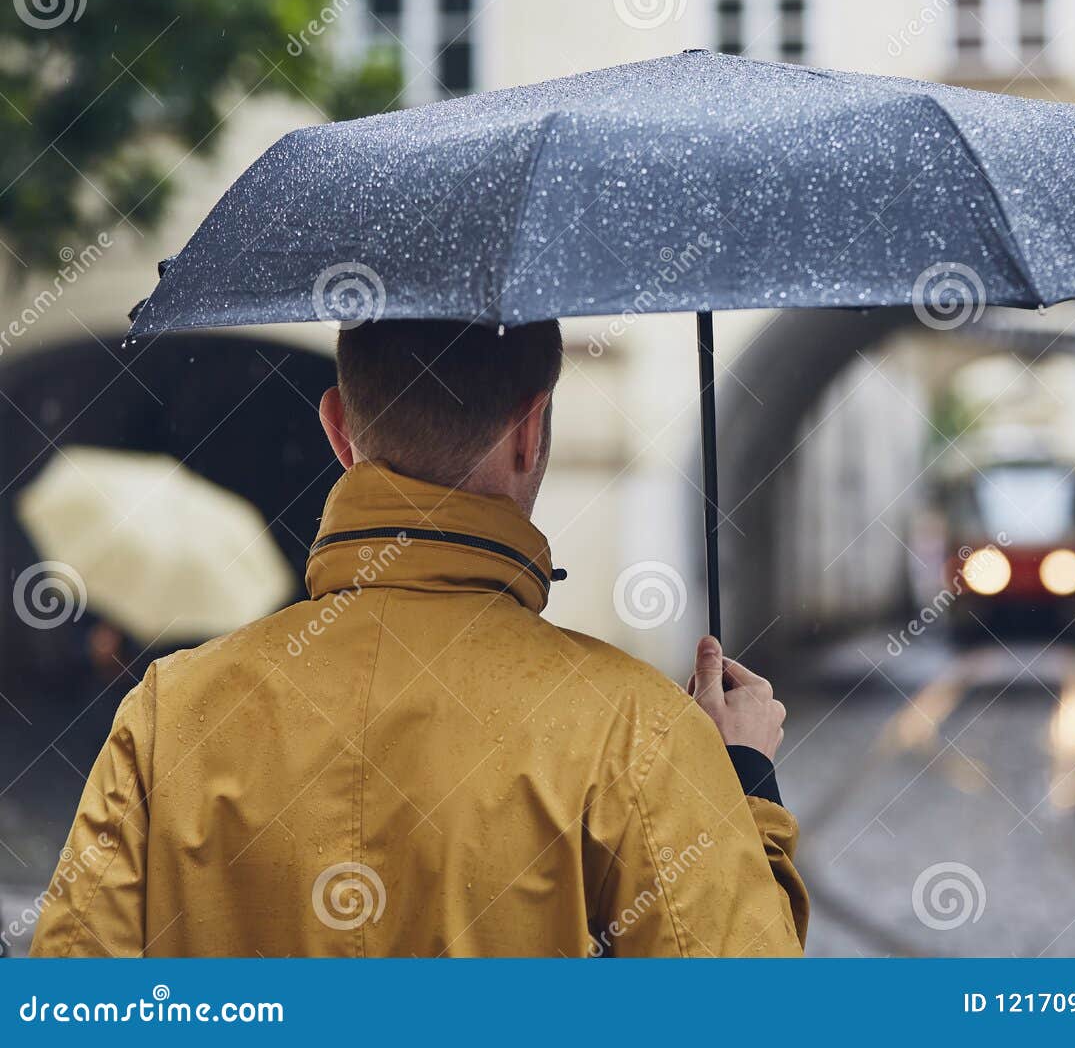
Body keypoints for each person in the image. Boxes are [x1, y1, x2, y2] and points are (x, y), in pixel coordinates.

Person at [30, 319, 805, 956]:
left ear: (338, 429)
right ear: (530, 431)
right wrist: (740, 790)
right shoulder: (636, 729)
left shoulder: (168, 715)